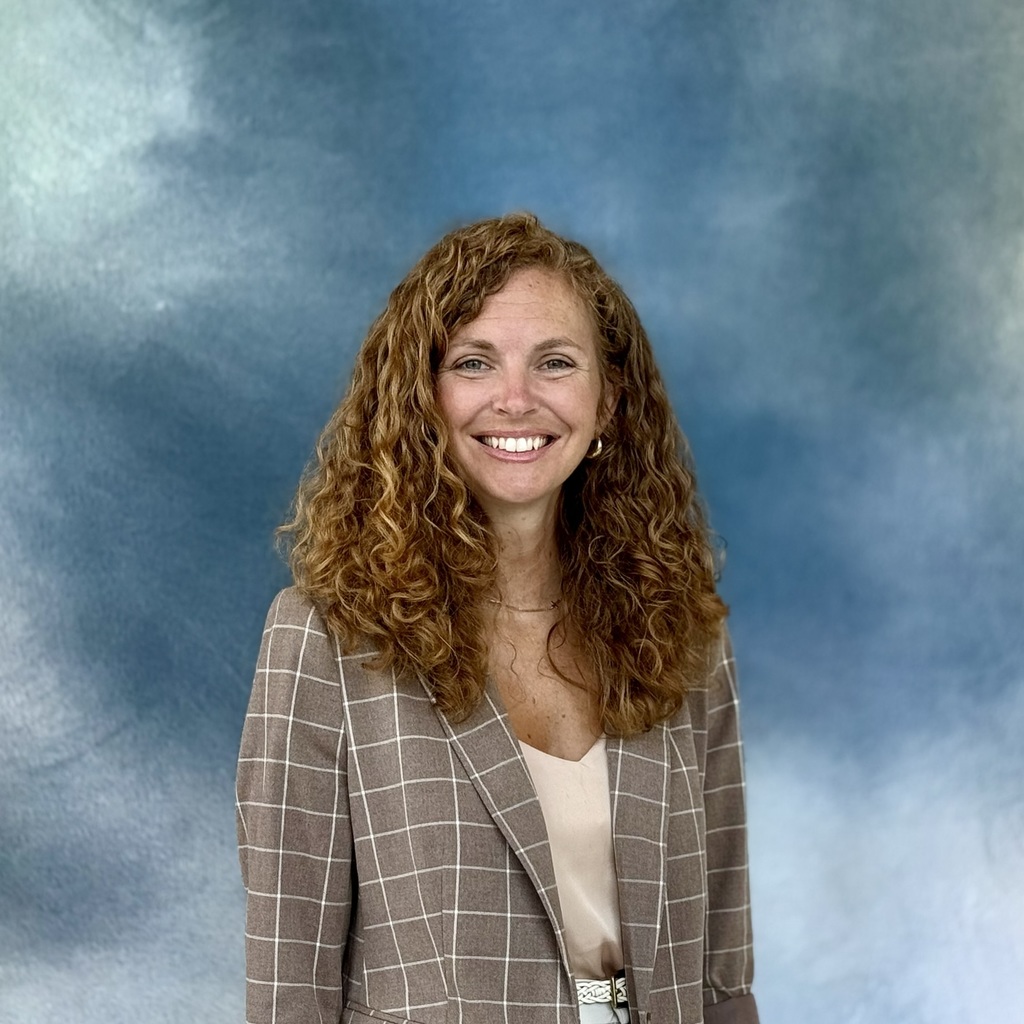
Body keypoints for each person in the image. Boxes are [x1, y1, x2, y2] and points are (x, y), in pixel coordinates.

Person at [236, 212, 758, 1024]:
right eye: (474, 362)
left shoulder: (682, 636)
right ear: (425, 398)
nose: (516, 400)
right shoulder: (326, 640)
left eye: (555, 363)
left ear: (608, 403)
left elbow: (724, 974)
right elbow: (289, 989)